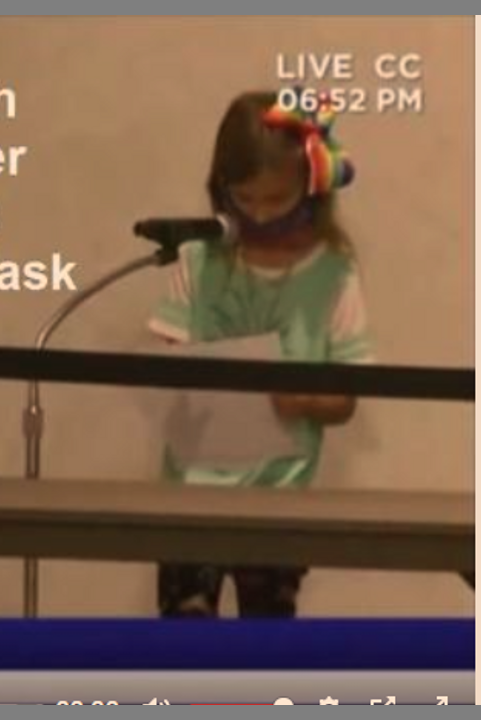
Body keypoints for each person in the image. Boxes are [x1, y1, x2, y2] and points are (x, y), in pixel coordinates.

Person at [147, 90, 374, 618]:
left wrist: (299, 400)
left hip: (280, 500)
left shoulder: (333, 271)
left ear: (311, 188)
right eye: (244, 199)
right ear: (221, 189)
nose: (260, 214)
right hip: (191, 495)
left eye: (276, 199)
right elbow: (166, 368)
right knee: (183, 641)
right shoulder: (199, 260)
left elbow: (346, 398)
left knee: (268, 646)